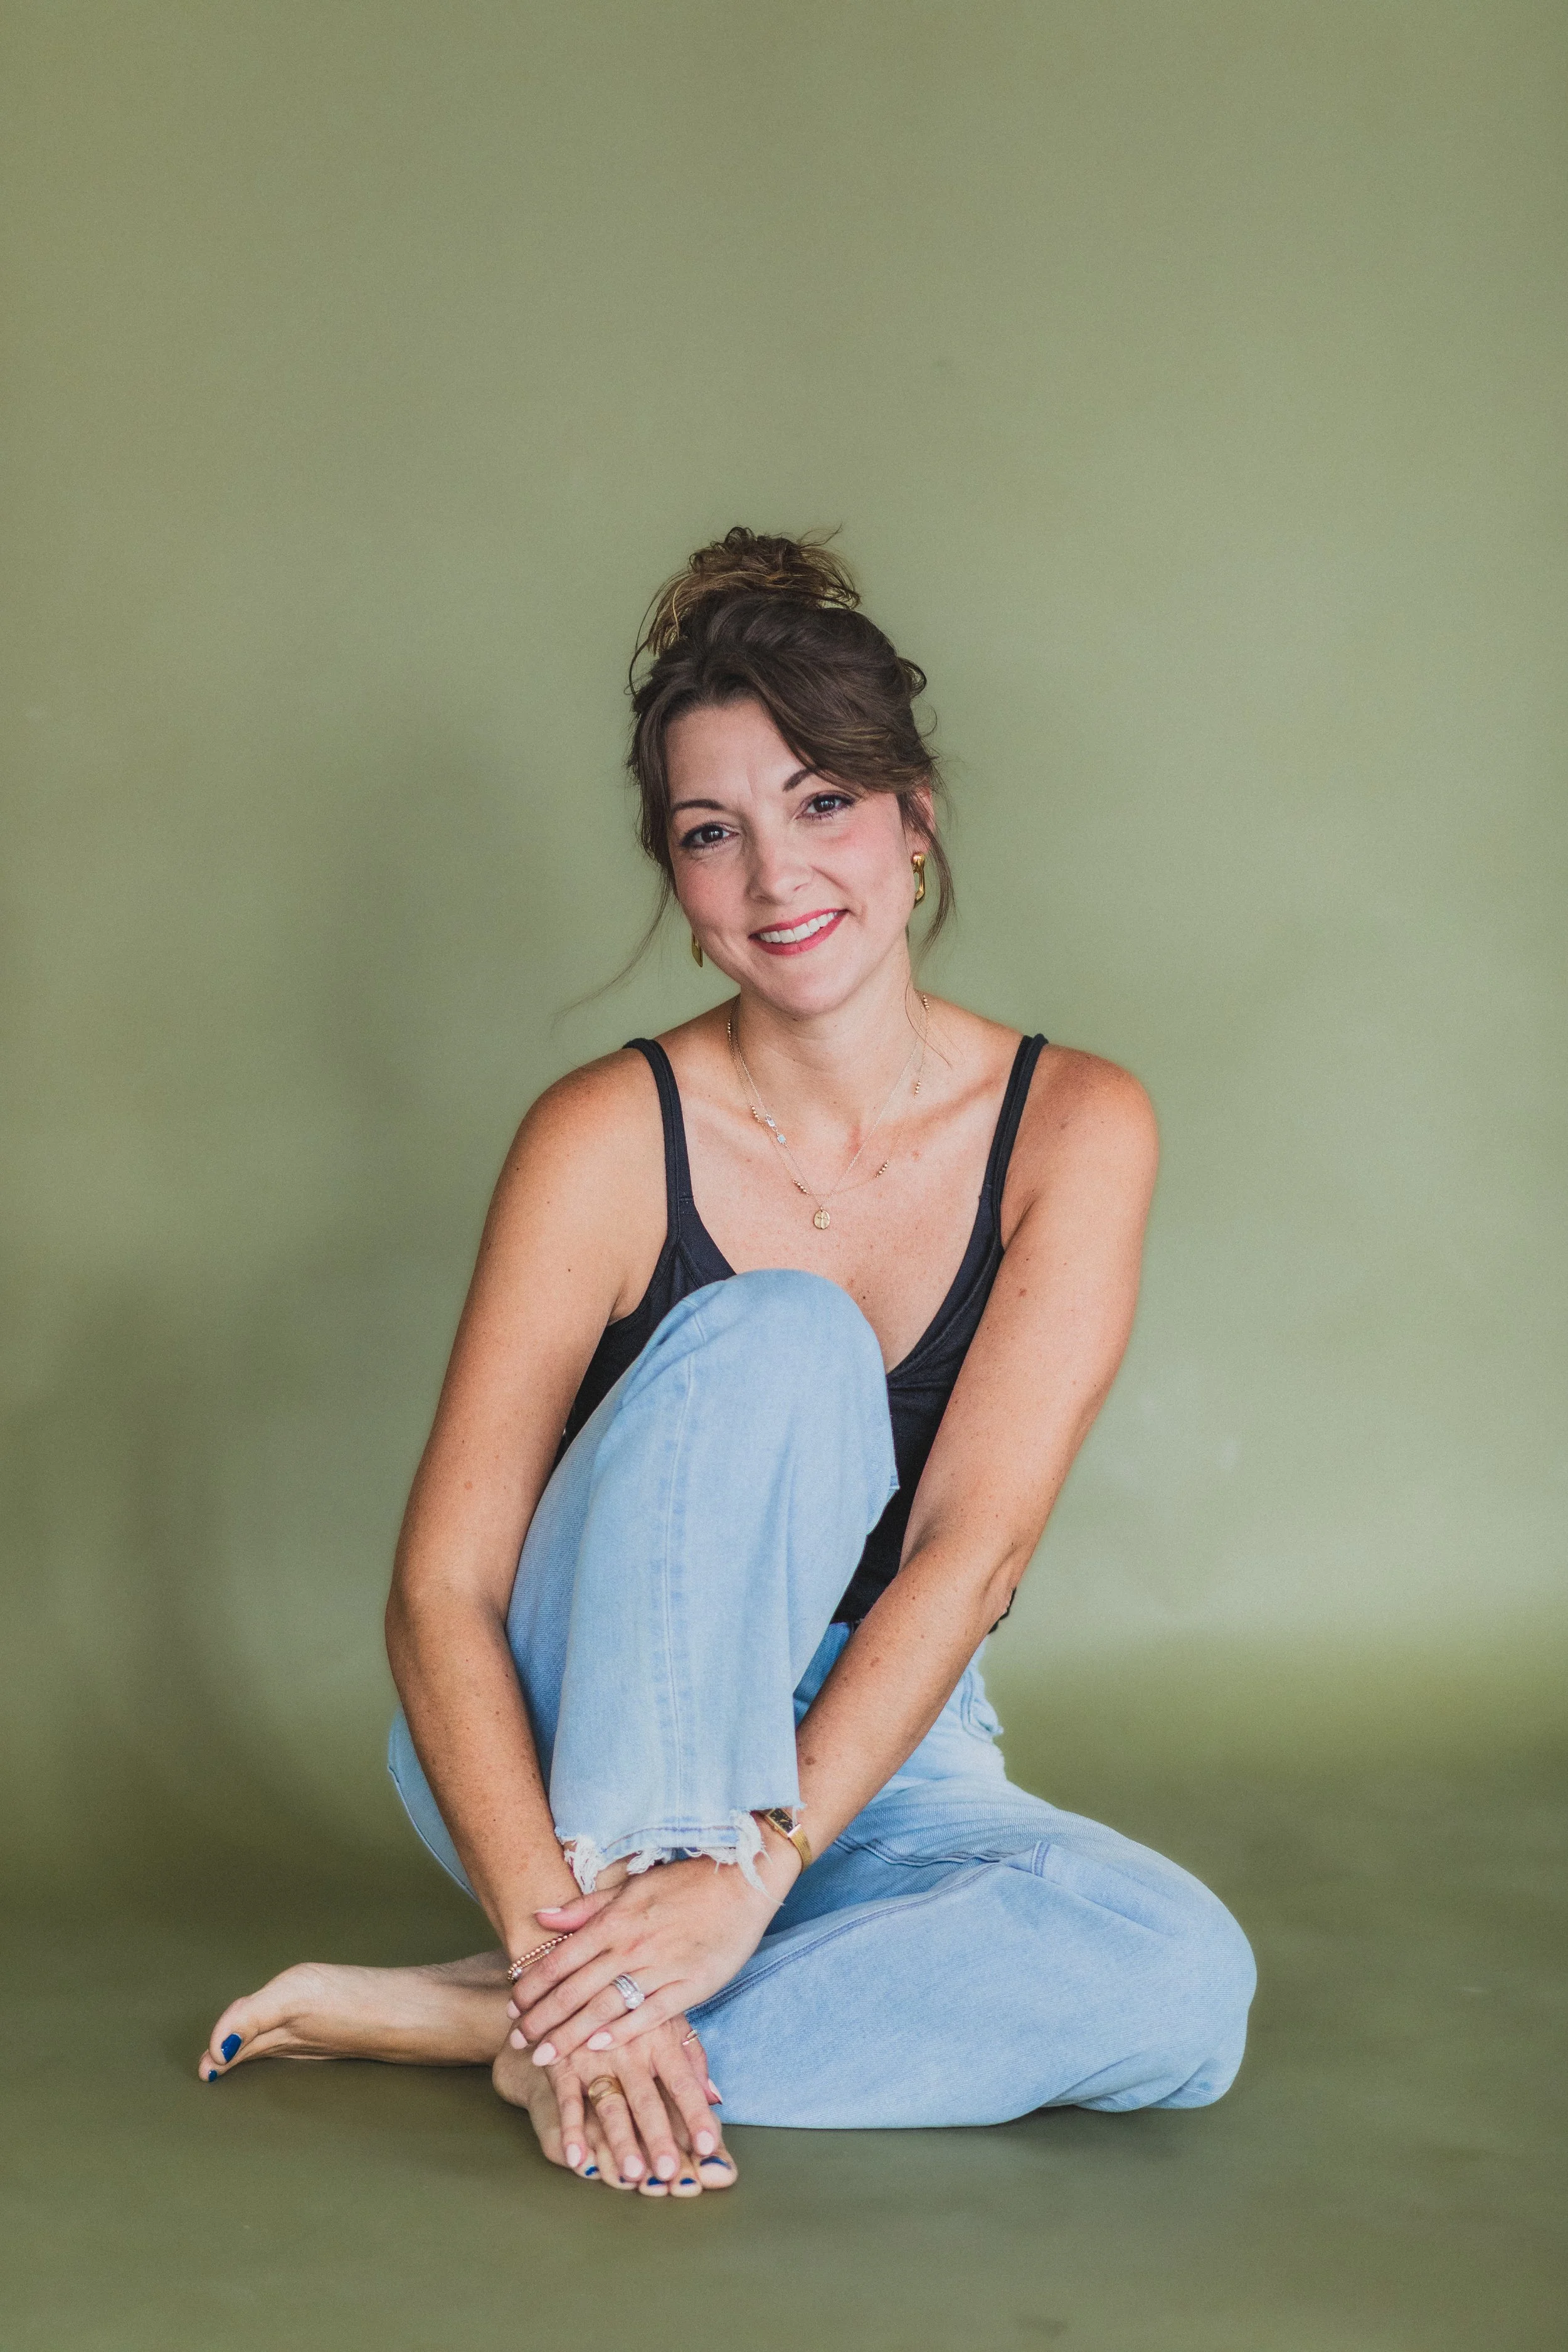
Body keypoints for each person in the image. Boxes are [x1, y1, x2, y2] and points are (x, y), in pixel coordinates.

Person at [199, 528, 1256, 2198]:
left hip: (869, 1762)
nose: (776, 879)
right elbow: (440, 1598)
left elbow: (969, 1555)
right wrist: (608, 1867)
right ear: (680, 896)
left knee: (1183, 1980)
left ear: (914, 821)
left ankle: (517, 2022)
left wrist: (759, 1868)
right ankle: (594, 1959)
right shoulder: (603, 1138)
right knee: (784, 1332)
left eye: (821, 802)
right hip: (575, 1731)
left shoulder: (1076, 1123)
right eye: (712, 834)